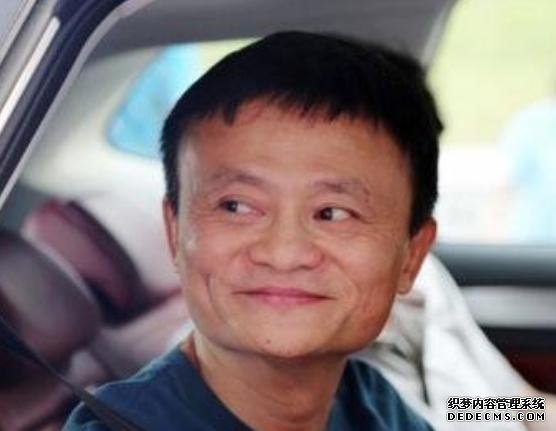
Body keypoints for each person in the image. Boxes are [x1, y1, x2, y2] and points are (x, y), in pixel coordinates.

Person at [64, 31, 441, 430]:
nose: (284, 254)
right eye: (237, 207)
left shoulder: (376, 407)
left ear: (411, 256)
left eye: (333, 214)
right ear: (175, 233)